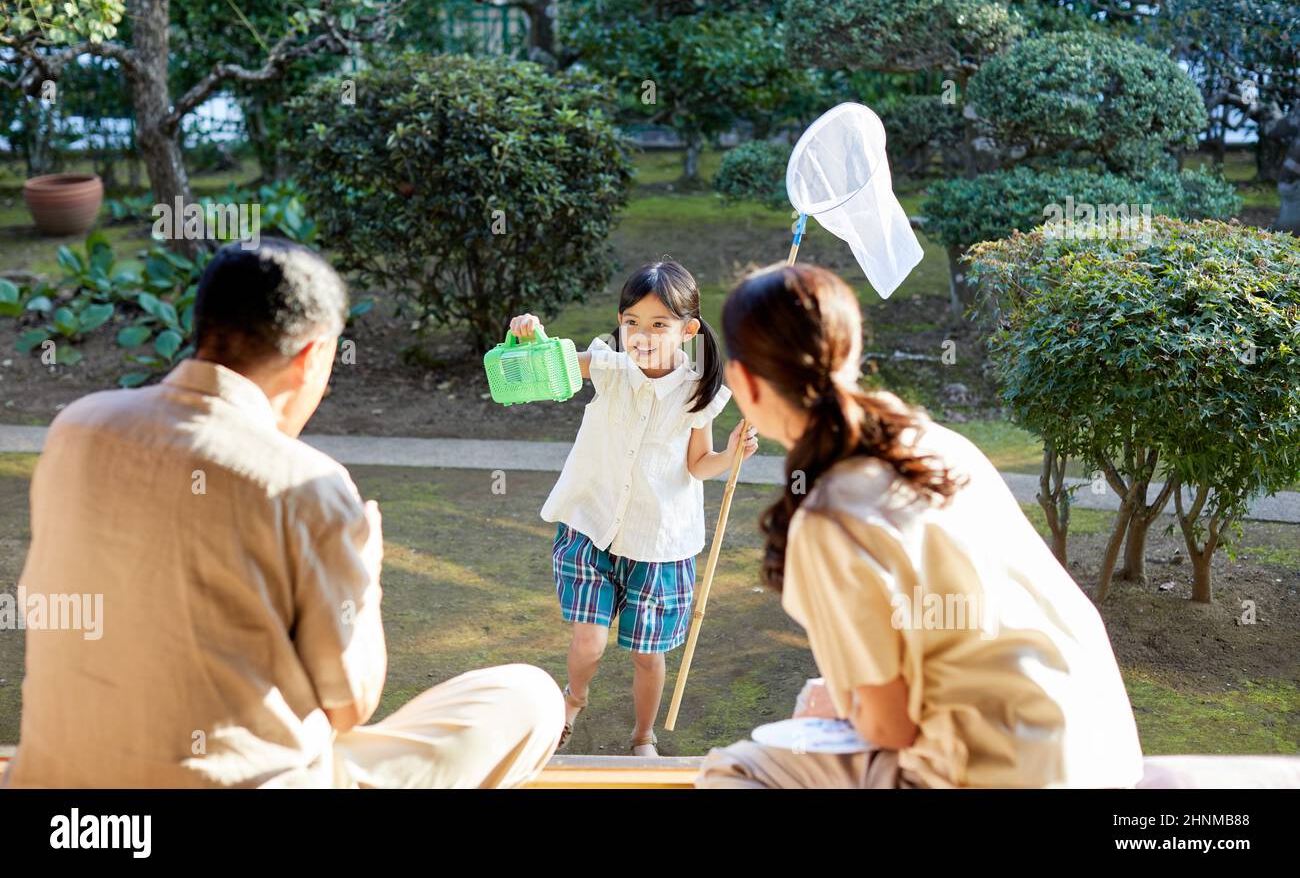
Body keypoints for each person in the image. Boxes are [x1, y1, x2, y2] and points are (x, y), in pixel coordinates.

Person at [4, 239, 563, 789]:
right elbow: (349, 702)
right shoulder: (306, 485)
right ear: (312, 356)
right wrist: (362, 560)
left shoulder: (77, 428)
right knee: (529, 697)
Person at [695, 263, 1145, 788]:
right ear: (851, 350)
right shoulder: (938, 446)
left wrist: (833, 709)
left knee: (733, 771)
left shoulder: (829, 519)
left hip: (1003, 772)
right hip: (1103, 751)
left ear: (744, 383)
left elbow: (891, 727)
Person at [512, 259, 759, 757]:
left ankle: (642, 735)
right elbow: (548, 367)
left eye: (659, 324)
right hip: (592, 525)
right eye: (632, 323)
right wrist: (529, 337)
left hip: (660, 542)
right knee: (590, 643)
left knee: (649, 656)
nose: (642, 336)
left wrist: (732, 453)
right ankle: (573, 699)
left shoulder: (697, 392)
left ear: (688, 330)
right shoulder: (609, 366)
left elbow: (697, 465)